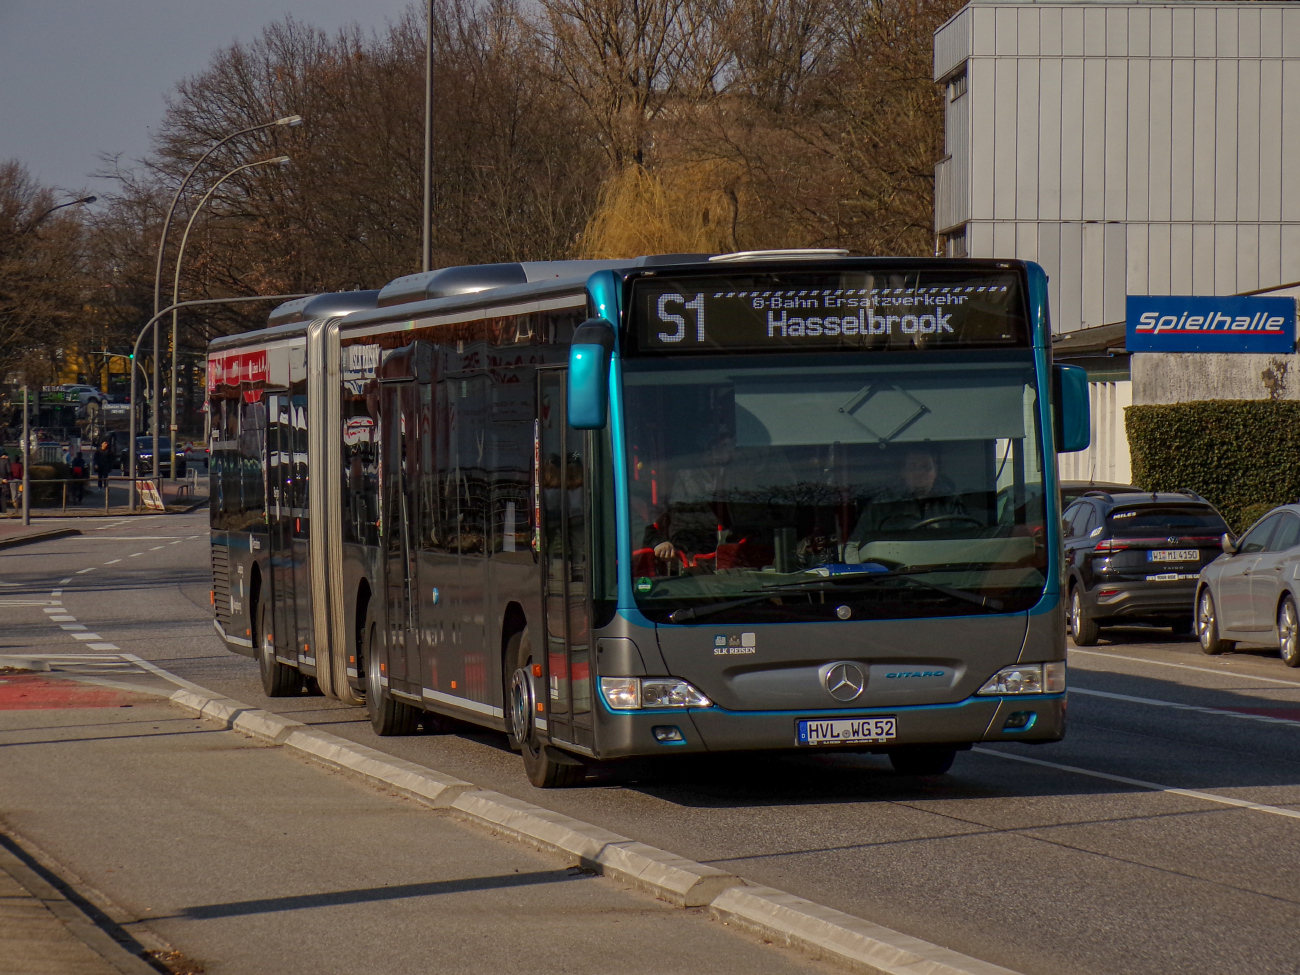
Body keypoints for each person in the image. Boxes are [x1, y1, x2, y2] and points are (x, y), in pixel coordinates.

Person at [852, 447, 968, 538]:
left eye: (926, 467)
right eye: (913, 467)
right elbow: (855, 546)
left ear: (936, 473)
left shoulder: (950, 503)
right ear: (903, 473)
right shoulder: (880, 506)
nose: (920, 473)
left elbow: (967, 541)